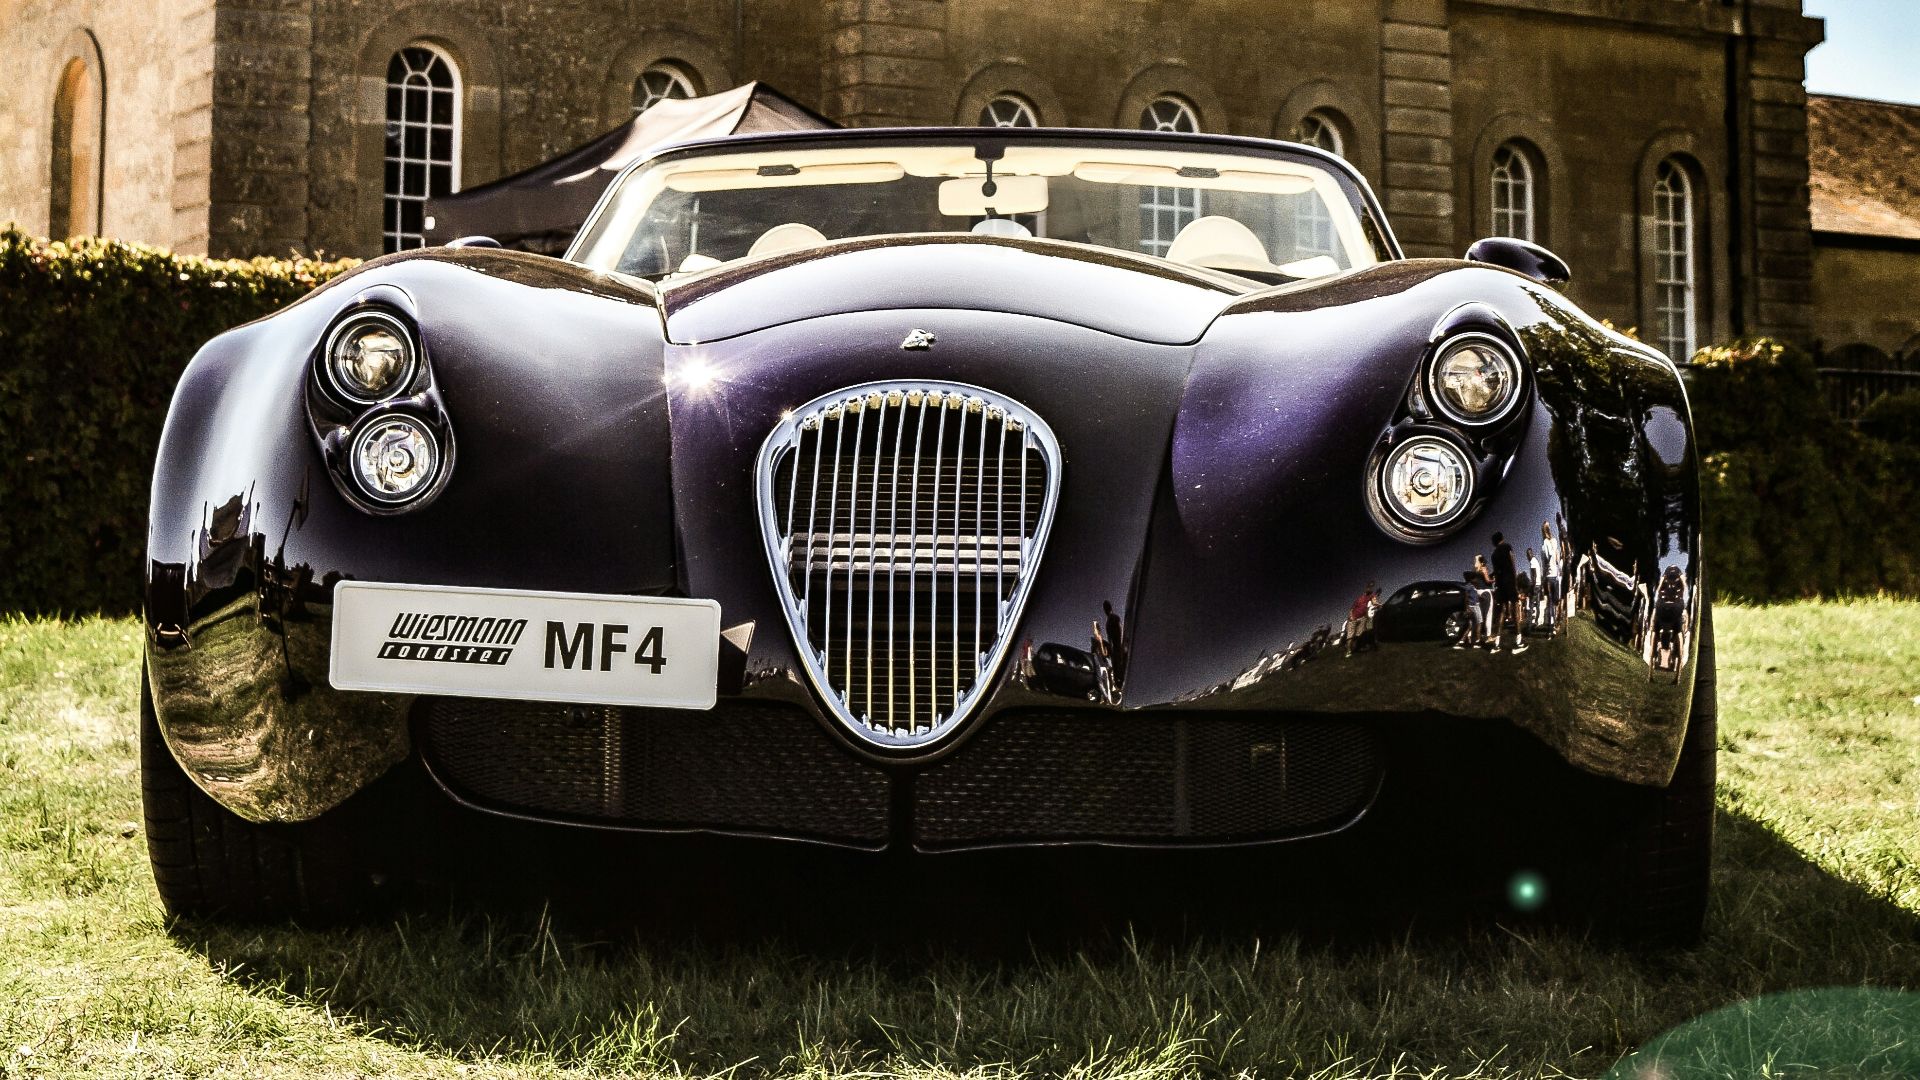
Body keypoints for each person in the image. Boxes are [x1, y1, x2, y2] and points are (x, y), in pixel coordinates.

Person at [1490, 531, 1524, 653]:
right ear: (1502, 538)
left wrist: (1498, 586)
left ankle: (1497, 643)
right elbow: (1513, 564)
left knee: (1502, 612)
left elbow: (1495, 572)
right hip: (1509, 581)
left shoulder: (1493, 555)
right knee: (1515, 609)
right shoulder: (1507, 547)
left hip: (1501, 585)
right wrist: (1516, 583)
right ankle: (1518, 641)